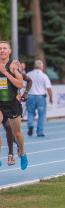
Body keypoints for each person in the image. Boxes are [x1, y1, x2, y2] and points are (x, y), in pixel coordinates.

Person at [0, 41, 28, 170]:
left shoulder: (14, 65)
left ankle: (22, 153)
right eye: (0, 48)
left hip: (12, 103)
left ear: (9, 51)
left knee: (17, 133)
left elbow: (20, 85)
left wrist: (5, 73)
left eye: (5, 48)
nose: (2, 50)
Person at [5, 73, 32, 165]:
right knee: (7, 126)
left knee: (13, 130)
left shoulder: (14, 70)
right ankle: (11, 153)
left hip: (13, 104)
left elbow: (29, 80)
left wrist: (26, 93)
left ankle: (18, 148)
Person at [26, 60, 53, 137]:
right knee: (42, 115)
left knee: (30, 113)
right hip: (40, 97)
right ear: (41, 67)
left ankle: (30, 125)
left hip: (30, 96)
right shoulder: (44, 76)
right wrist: (51, 97)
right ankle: (40, 132)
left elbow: (25, 85)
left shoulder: (29, 74)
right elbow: (48, 88)